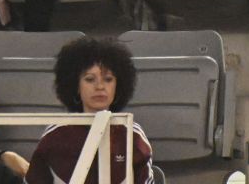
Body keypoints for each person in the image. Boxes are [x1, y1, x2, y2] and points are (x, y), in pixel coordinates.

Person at [23, 36, 154, 184]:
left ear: (119, 86)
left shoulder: (132, 135)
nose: (100, 87)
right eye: (90, 79)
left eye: (108, 79)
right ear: (75, 86)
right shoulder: (55, 136)